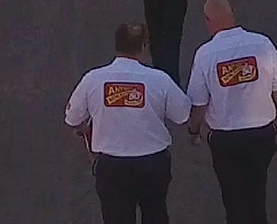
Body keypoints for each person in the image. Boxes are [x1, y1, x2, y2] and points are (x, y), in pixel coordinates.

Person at [186, 0, 277, 224]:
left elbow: (199, 103)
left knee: (233, 198)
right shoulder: (262, 44)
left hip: (225, 140)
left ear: (208, 20)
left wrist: (194, 130)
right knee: (256, 194)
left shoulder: (205, 54)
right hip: (261, 135)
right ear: (233, 12)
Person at [65, 24, 191, 224]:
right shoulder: (159, 80)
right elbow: (183, 114)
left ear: (117, 46)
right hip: (153, 164)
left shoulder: (93, 79)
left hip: (112, 167)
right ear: (143, 46)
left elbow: (73, 118)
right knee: (156, 215)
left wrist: (85, 130)